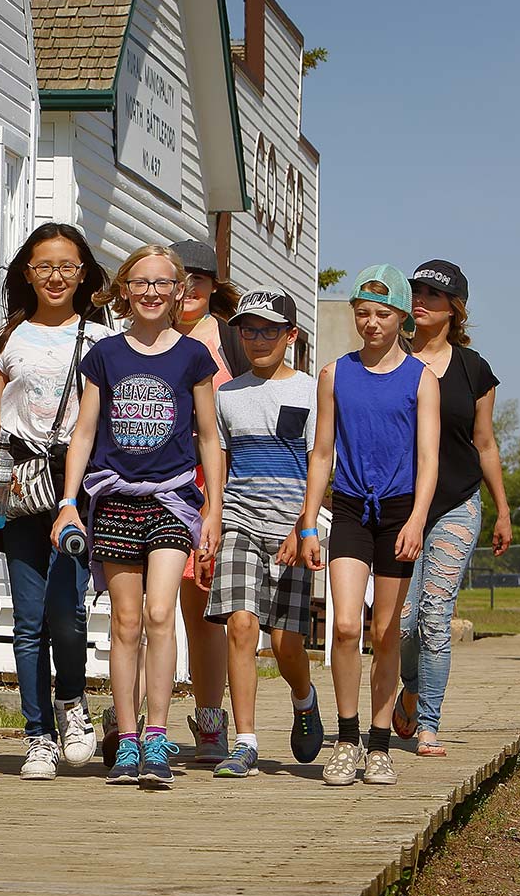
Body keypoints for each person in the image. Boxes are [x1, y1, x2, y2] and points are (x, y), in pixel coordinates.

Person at [53, 246, 222, 790]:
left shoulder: (193, 356)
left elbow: (209, 436)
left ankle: (157, 735)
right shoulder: (105, 354)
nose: (151, 292)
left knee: (159, 612)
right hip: (115, 498)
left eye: (162, 283)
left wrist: (214, 508)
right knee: (125, 622)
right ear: (125, 289)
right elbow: (84, 432)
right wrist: (69, 501)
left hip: (172, 499)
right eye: (141, 282)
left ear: (178, 291)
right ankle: (126, 739)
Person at [283, 265, 438, 789]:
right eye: (363, 313)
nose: (372, 323)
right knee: (347, 627)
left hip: (399, 513)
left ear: (401, 318)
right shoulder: (335, 374)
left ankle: (380, 744)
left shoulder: (421, 379)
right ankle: (346, 740)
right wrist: (308, 522)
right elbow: (321, 452)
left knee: (386, 631)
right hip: (350, 509)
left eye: (383, 314)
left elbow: (428, 458)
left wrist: (417, 519)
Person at [0, 224, 111, 780]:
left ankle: (72, 703)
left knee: (68, 610)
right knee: (28, 619)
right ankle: (37, 736)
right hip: (17, 483)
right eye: (44, 267)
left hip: (76, 485)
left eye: (67, 267)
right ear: (27, 275)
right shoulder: (9, 338)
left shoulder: (101, 340)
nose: (56, 277)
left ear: (83, 275)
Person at [393, 260, 512, 757]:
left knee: (436, 616)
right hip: (401, 505)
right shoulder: (392, 357)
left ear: (454, 309)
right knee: (402, 622)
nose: (420, 300)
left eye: (433, 295)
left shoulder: (474, 369)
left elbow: (484, 442)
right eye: (416, 291)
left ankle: (429, 725)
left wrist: (502, 510)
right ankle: (412, 688)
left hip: (457, 503)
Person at [206, 289, 326, 778]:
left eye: (269, 330)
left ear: (290, 335)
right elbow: (219, 459)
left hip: (292, 529)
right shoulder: (226, 394)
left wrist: (305, 525)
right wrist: (213, 518)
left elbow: (321, 463)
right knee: (240, 625)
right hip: (239, 522)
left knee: (285, 644)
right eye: (249, 330)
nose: (257, 339)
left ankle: (304, 697)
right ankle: (246, 742)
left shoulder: (312, 392)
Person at [167, 237, 247, 765]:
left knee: (203, 610)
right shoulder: (146, 336)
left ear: (214, 285)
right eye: (182, 279)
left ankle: (211, 720)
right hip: (154, 483)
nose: (191, 289)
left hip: (214, 485)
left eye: (200, 279)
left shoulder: (233, 340)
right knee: (147, 609)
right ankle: (132, 723)